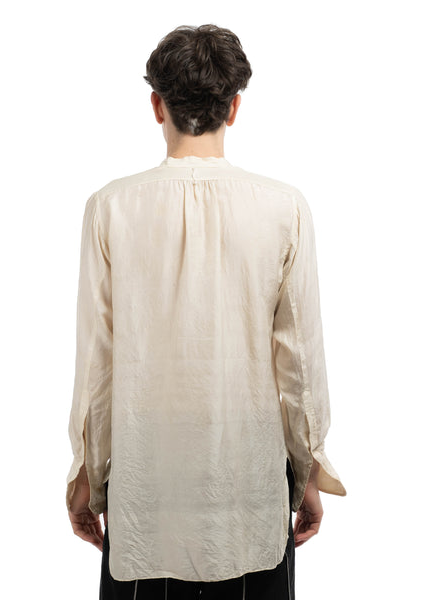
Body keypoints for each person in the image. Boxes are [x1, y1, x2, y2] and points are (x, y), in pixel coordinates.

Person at [66, 23, 347, 600]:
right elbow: (300, 363)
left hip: (146, 495)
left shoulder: (110, 208)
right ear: (235, 107)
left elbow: (97, 363)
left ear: (156, 105)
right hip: (251, 494)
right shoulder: (284, 208)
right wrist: (309, 472)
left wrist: (87, 479)